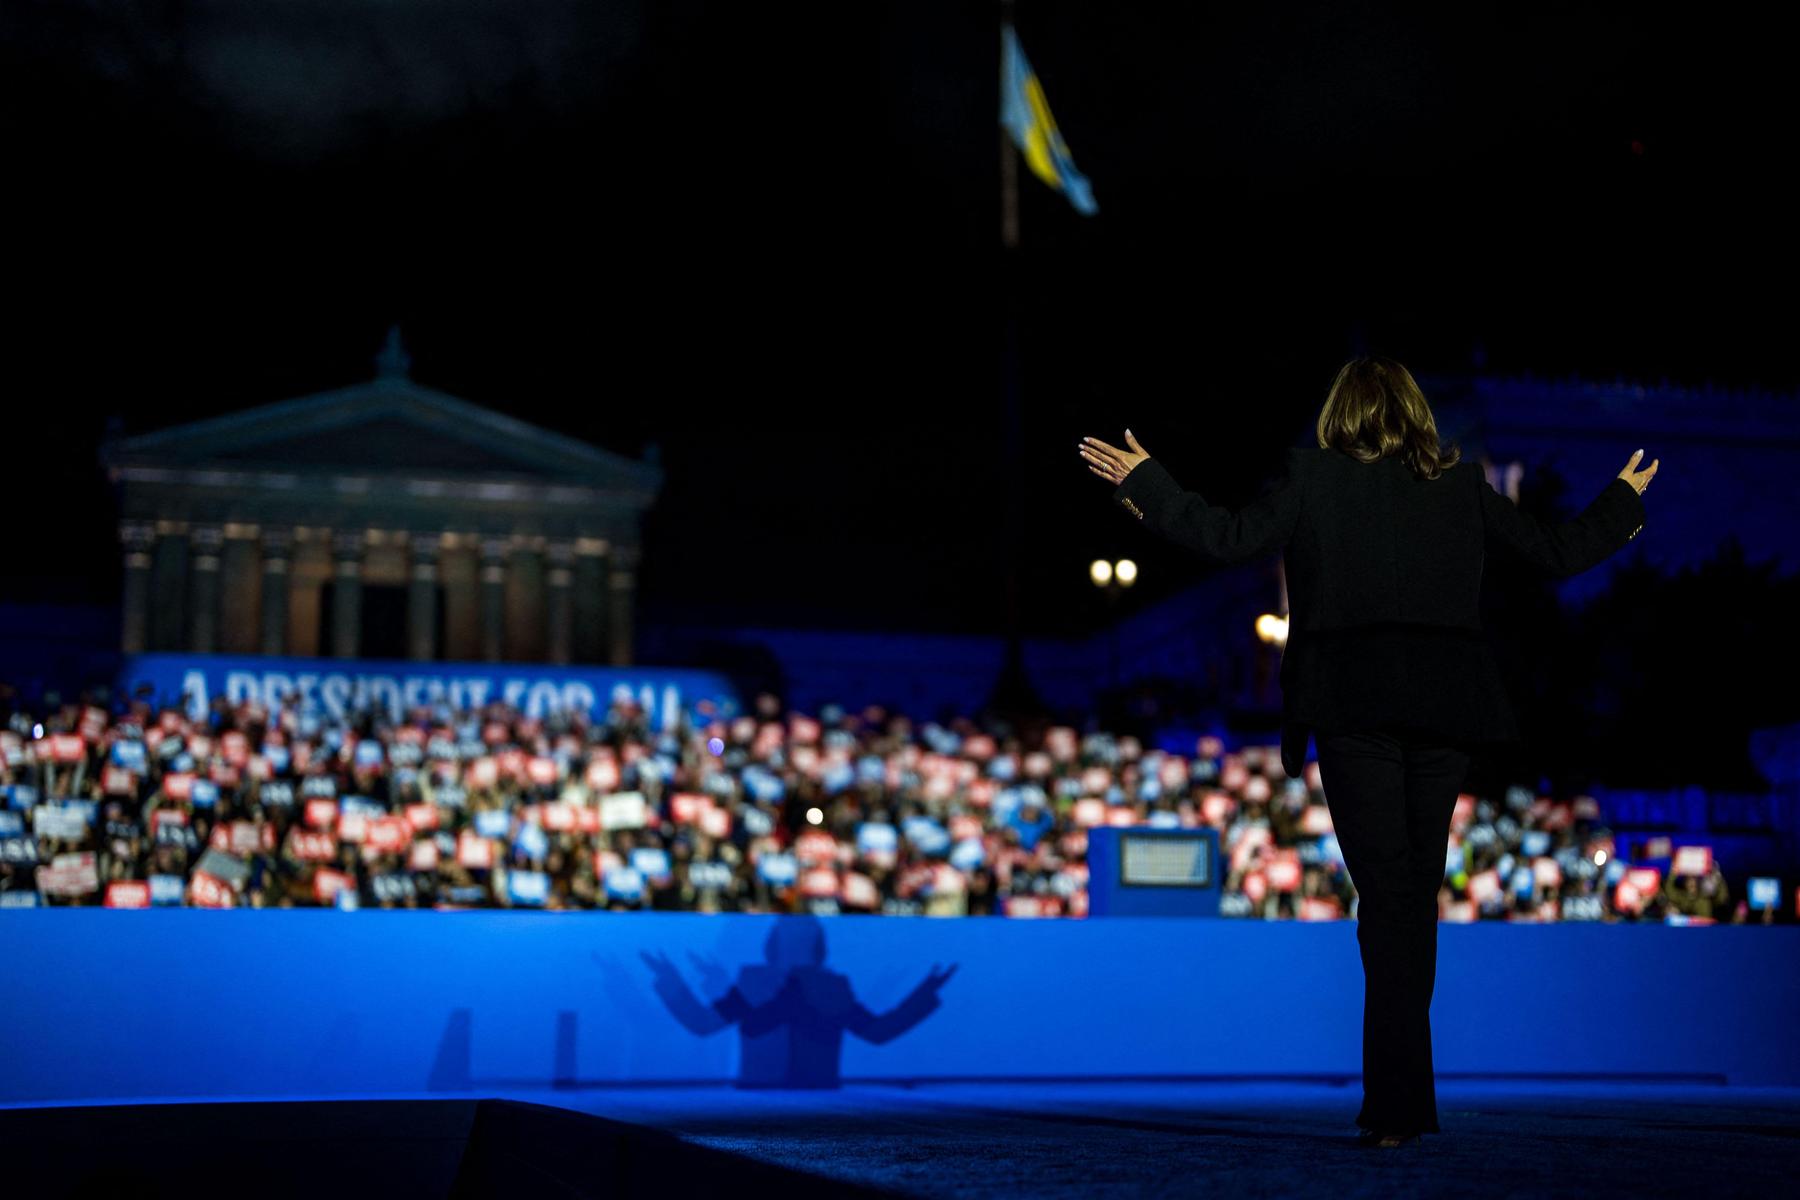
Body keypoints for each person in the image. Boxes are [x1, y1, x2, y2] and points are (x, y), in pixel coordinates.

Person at [1079, 354, 1658, 1147]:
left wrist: (1148, 483)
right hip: (1445, 709)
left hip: (1354, 708)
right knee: (1408, 902)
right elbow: (1556, 554)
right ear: (1416, 415)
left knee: (1390, 900)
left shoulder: (1312, 479)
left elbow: (1226, 537)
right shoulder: (1460, 487)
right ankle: (1404, 1102)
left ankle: (1396, 1107)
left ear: (1339, 414)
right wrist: (1623, 499)